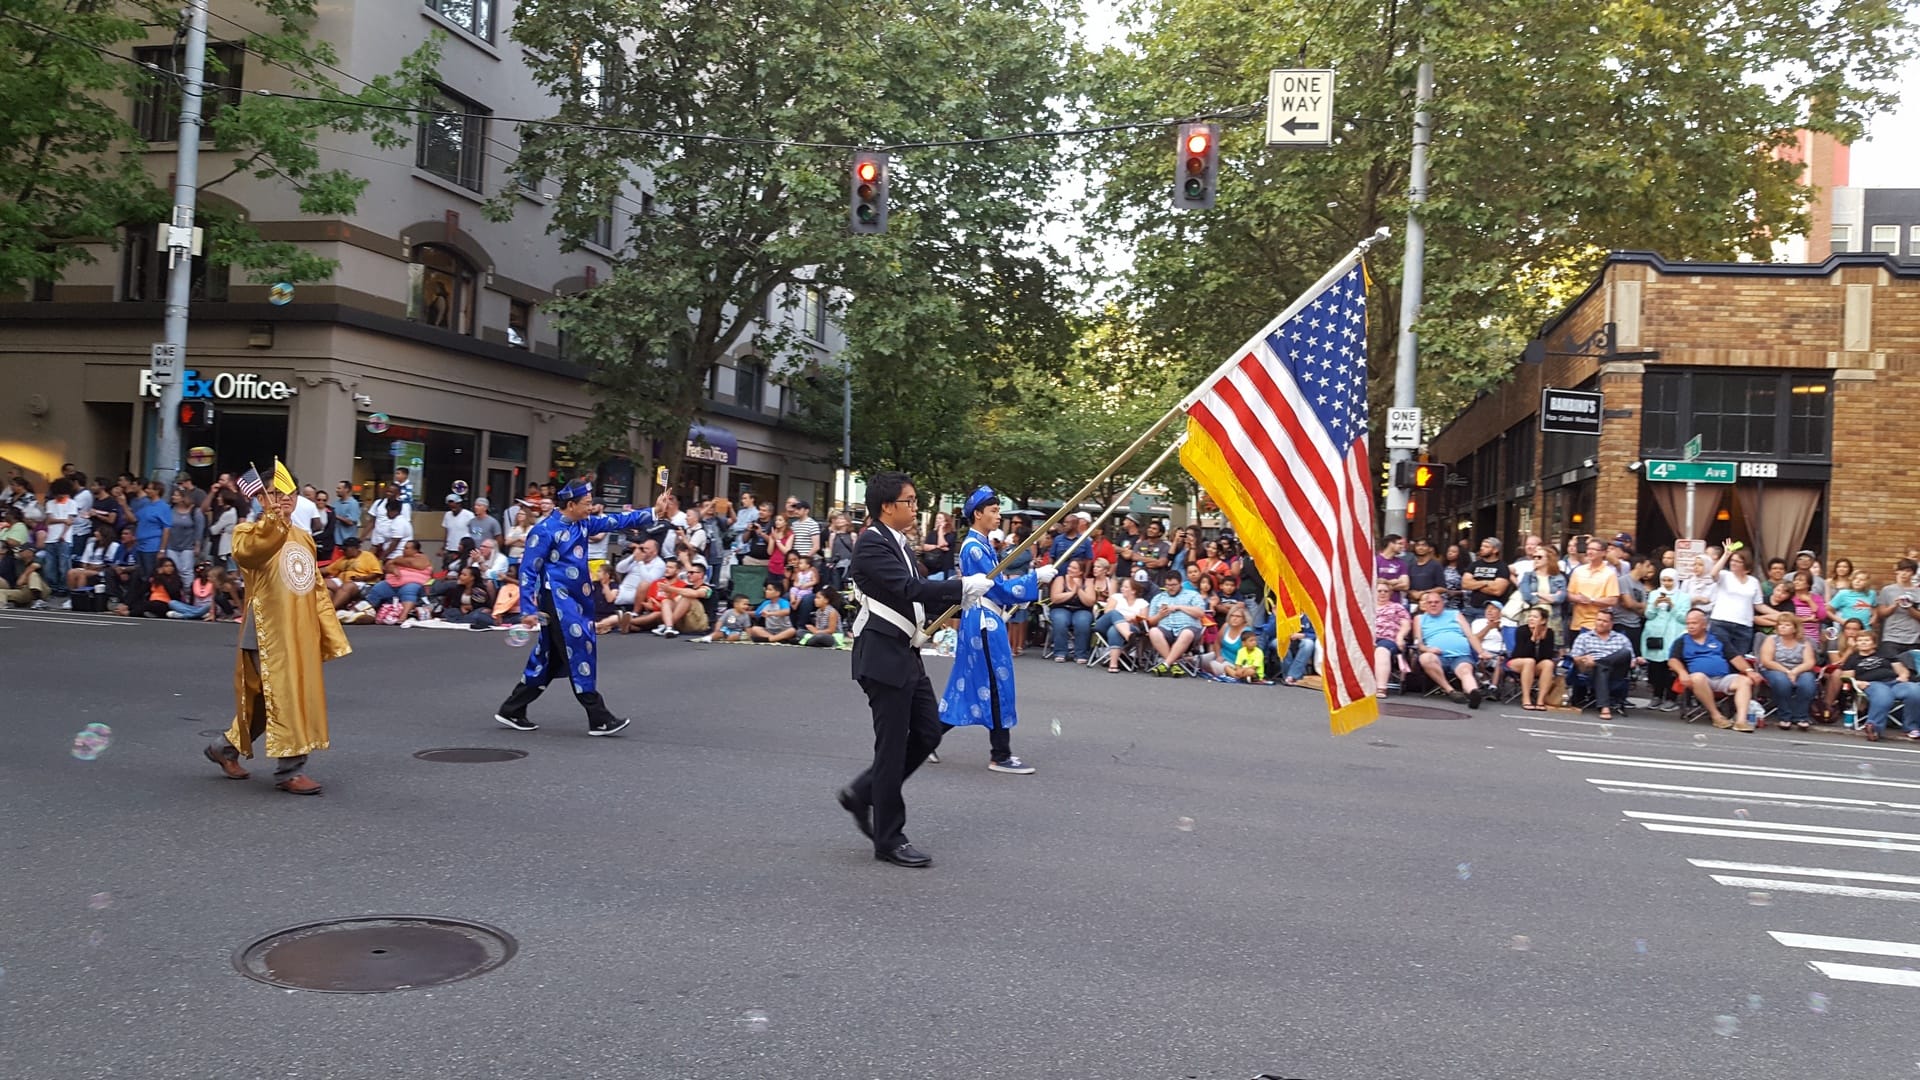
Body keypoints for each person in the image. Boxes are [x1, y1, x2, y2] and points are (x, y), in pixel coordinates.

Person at [835, 471, 989, 869]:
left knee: (928, 732)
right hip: (883, 657)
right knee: (891, 749)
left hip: (905, 653)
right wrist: (960, 587)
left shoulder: (897, 542)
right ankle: (889, 838)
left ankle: (863, 792)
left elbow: (915, 599)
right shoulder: (872, 543)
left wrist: (961, 597)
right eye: (910, 501)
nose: (915, 508)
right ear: (888, 506)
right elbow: (907, 588)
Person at [492, 479, 675, 736]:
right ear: (571, 504)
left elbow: (617, 520)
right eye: (587, 503)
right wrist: (528, 609)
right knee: (579, 650)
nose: (591, 508)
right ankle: (598, 716)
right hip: (556, 601)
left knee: (549, 657)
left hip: (577, 600)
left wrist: (655, 511)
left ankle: (512, 708)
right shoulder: (544, 530)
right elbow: (528, 571)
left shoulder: (584, 523)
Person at [202, 482, 350, 795]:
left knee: (265, 704)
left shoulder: (303, 537)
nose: (285, 499)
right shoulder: (246, 532)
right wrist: (273, 521)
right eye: (276, 493)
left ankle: (223, 748)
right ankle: (290, 771)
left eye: (290, 494)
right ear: (260, 497)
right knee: (284, 697)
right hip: (265, 632)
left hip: (299, 631)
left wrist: (327, 629)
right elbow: (252, 553)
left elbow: (314, 586)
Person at [938, 486, 1054, 775]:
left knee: (970, 685)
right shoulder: (975, 548)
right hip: (984, 622)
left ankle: (922, 737)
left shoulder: (980, 545)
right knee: (995, 685)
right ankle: (1000, 754)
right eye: (993, 510)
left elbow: (997, 587)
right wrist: (1034, 578)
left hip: (982, 619)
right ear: (978, 514)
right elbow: (998, 589)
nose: (998, 515)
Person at [1670, 608, 1763, 731]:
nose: (1690, 626)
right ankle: (1716, 716)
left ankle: (1741, 721)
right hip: (1698, 679)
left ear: (1704, 624)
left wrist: (1749, 671)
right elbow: (1673, 660)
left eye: (1694, 623)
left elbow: (1734, 657)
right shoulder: (1681, 641)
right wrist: (1682, 672)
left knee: (1745, 681)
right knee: (1698, 678)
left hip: (1722, 678)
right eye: (1688, 623)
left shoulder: (1718, 638)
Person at [1412, 590, 1488, 707]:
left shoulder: (1455, 614)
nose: (1433, 604)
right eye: (1430, 602)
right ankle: (1450, 691)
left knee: (1465, 671)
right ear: (1425, 605)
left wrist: (1481, 652)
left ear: (1443, 603)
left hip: (1460, 655)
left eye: (1436, 602)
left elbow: (1470, 636)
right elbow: (1418, 643)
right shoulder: (1420, 618)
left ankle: (1473, 693)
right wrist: (1427, 649)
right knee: (1425, 658)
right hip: (1438, 656)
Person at [1842, 629, 1920, 742]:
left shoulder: (1884, 654)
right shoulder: (1852, 659)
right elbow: (1847, 677)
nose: (1863, 642)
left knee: (1915, 690)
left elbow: (1902, 670)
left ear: (1874, 643)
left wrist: (1903, 676)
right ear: (1856, 643)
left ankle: (1912, 727)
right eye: (1860, 640)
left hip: (1894, 682)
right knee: (1883, 695)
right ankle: (1874, 727)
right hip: (1872, 684)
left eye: (1867, 640)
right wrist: (1857, 683)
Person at [1569, 608, 1635, 721]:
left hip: (1617, 671)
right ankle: (1604, 707)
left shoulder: (1621, 639)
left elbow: (1631, 661)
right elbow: (1575, 658)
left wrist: (1599, 662)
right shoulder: (1584, 637)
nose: (1600, 623)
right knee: (1601, 669)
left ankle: (1600, 664)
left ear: (1611, 624)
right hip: (1591, 670)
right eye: (1598, 620)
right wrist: (1584, 658)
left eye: (1604, 621)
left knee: (1625, 653)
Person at [1760, 612, 1819, 731]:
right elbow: (1767, 661)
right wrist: (1787, 672)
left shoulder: (1805, 642)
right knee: (1782, 682)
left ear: (1795, 628)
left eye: (1787, 625)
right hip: (1775, 668)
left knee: (1808, 683)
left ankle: (1801, 716)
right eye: (1780, 625)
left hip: (1799, 669)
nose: (1782, 627)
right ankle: (1784, 716)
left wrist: (1795, 671)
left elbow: (1809, 662)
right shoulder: (1771, 639)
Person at [1641, 568, 1690, 710]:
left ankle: (1671, 698)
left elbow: (1684, 618)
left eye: (1670, 580)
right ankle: (1656, 696)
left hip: (1674, 634)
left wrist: (1672, 606)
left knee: (1671, 667)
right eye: (1664, 580)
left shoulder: (1684, 597)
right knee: (1656, 667)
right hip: (1656, 634)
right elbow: (1649, 615)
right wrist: (1655, 605)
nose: (1667, 583)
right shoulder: (1654, 594)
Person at [1144, 569, 1207, 675]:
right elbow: (1150, 622)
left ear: (1180, 583)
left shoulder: (1192, 595)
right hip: (1166, 629)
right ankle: (1173, 664)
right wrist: (1160, 615)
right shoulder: (1158, 598)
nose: (1170, 588)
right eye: (1168, 585)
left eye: (1173, 585)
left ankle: (1166, 664)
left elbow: (1200, 613)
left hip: (1189, 628)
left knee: (1186, 633)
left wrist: (1179, 607)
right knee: (1153, 631)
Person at [1509, 606, 1560, 711]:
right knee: (1529, 661)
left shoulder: (1549, 632)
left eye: (1535, 617)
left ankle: (1540, 700)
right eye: (1530, 616)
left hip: (1535, 665)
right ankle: (1526, 698)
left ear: (1543, 620)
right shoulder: (1522, 630)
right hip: (1517, 662)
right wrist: (1532, 639)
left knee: (1548, 664)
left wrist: (1542, 641)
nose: (1531, 619)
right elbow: (1521, 653)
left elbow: (1547, 656)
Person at [1047, 557, 1096, 664]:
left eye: (1074, 568)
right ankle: (1060, 652)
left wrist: (1078, 589)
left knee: (1082, 622)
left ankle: (1081, 654)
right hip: (1061, 607)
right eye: (1069, 566)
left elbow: (1090, 602)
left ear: (1081, 572)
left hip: (1081, 608)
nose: (1070, 569)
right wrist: (1072, 593)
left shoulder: (1088, 582)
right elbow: (1055, 598)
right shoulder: (1060, 579)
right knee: (1060, 621)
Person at [1566, 539, 1619, 634]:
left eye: (1594, 549)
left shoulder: (1609, 574)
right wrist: (1578, 598)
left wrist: (1591, 600)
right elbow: (1569, 594)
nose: (1590, 552)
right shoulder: (1578, 571)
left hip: (1596, 624)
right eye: (1588, 549)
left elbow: (1613, 600)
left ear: (1603, 553)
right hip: (1576, 623)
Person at [1371, 581, 1411, 698]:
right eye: (1379, 591)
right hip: (1368, 639)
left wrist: (1400, 637)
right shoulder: (1367, 607)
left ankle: (1381, 688)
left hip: (1388, 639)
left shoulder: (1397, 607)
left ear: (1390, 593)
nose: (1382, 593)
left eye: (1386, 591)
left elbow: (1406, 624)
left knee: (1381, 650)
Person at [1876, 559, 1920, 659]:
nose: (1904, 574)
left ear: (1913, 573)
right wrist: (1894, 605)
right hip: (1891, 637)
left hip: (1914, 638)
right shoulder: (1887, 590)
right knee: (1891, 665)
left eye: (1908, 571)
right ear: (1897, 571)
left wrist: (1909, 607)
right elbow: (1881, 614)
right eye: (1901, 570)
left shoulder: (1918, 592)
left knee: (1912, 667)